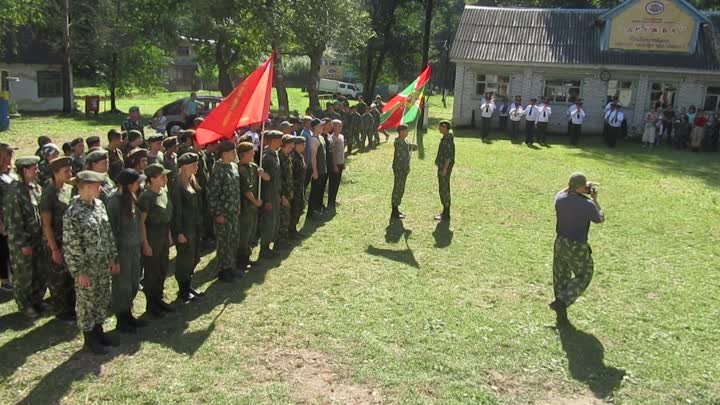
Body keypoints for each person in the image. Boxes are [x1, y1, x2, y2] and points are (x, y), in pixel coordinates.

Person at [63, 170, 120, 354]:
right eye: (96, 185)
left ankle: (99, 332)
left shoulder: (99, 205)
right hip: (87, 268)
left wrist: (112, 257)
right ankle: (90, 339)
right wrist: (79, 272)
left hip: (102, 264)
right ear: (84, 187)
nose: (100, 188)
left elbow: (107, 233)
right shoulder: (73, 213)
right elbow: (71, 246)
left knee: (102, 298)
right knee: (87, 303)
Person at [549, 172, 604, 324]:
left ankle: (561, 317)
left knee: (560, 277)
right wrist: (594, 199)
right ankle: (562, 301)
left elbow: (562, 191)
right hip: (577, 245)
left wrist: (576, 189)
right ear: (582, 187)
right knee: (584, 274)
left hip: (560, 242)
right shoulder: (587, 205)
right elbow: (600, 218)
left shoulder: (560, 199)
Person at [4, 156, 48, 318]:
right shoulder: (14, 191)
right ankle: (25, 304)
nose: (37, 171)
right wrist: (23, 244)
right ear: (24, 171)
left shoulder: (36, 188)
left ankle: (37, 300)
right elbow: (13, 221)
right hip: (23, 242)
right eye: (33, 169)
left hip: (38, 239)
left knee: (39, 271)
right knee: (24, 274)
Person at [107, 169, 147, 333]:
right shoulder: (114, 203)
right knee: (122, 286)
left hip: (133, 249)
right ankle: (121, 319)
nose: (140, 185)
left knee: (132, 283)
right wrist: (114, 259)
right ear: (129, 184)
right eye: (137, 182)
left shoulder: (131, 198)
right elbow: (111, 232)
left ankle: (128, 314)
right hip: (122, 251)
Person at [40, 156, 76, 322]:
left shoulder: (68, 188)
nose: (70, 173)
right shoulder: (49, 193)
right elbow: (46, 224)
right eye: (66, 171)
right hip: (56, 241)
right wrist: (54, 249)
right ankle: (62, 310)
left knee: (70, 276)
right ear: (55, 173)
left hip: (69, 240)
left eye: (70, 170)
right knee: (58, 278)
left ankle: (71, 307)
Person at [172, 153, 206, 302]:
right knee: (185, 259)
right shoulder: (178, 184)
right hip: (185, 228)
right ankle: (183, 290)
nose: (196, 167)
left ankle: (188, 286)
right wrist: (179, 231)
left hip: (195, 226)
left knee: (195, 257)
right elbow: (177, 210)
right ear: (184, 166)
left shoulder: (191, 181)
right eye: (193, 165)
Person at [207, 141, 242, 282]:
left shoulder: (233, 166)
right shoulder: (218, 169)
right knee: (224, 242)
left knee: (233, 240)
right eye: (233, 152)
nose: (235, 154)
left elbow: (236, 189)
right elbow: (212, 194)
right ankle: (223, 270)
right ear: (224, 154)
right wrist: (217, 213)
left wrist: (238, 206)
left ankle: (231, 267)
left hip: (233, 211)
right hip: (223, 213)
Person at [237, 142, 266, 272]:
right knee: (244, 234)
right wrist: (255, 202)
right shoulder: (240, 169)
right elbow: (246, 190)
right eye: (251, 152)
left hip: (253, 208)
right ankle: (241, 261)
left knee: (251, 233)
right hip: (245, 207)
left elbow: (266, 178)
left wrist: (262, 173)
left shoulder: (253, 166)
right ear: (243, 154)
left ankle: (247, 257)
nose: (254, 153)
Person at [259, 131, 283, 258]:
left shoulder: (275, 154)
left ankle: (268, 247)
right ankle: (264, 249)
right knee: (269, 222)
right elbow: (266, 179)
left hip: (275, 192)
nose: (281, 142)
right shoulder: (267, 157)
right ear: (273, 141)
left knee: (274, 221)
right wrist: (267, 200)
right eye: (279, 140)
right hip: (269, 195)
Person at [0, 143, 17, 292]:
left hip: (14, 217)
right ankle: (5, 279)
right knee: (4, 250)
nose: (11, 157)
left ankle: (15, 276)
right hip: (3, 219)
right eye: (8, 154)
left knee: (13, 249)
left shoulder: (11, 173)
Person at [276, 134, 295, 248]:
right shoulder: (280, 157)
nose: (293, 146)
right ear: (286, 144)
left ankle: (284, 239)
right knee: (282, 218)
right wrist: (283, 196)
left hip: (288, 192)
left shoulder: (287, 156)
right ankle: (280, 242)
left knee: (286, 217)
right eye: (291, 143)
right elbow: (280, 179)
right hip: (282, 194)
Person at [435, 120, 455, 221]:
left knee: (444, 189)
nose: (439, 129)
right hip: (443, 167)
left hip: (444, 168)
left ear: (444, 127)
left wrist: (444, 169)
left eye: (440, 127)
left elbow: (448, 157)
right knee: (443, 188)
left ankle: (446, 214)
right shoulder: (446, 138)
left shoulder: (447, 140)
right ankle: (445, 211)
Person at [391, 124, 413, 219]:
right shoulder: (399, 142)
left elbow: (408, 146)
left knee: (401, 189)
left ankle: (396, 208)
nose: (407, 132)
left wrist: (412, 146)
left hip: (404, 169)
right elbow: (403, 149)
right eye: (406, 131)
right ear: (401, 132)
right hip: (400, 169)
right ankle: (394, 210)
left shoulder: (404, 141)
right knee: (398, 189)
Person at [307, 119, 327, 217]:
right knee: (315, 191)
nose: (322, 127)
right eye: (320, 125)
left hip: (323, 169)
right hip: (318, 170)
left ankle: (318, 209)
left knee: (320, 191)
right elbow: (313, 157)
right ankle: (312, 212)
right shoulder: (313, 139)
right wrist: (315, 171)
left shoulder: (321, 138)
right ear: (314, 127)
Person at [289, 137, 307, 238]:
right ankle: (291, 231)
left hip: (300, 187)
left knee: (299, 208)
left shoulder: (300, 156)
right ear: (296, 145)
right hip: (294, 188)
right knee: (294, 209)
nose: (304, 146)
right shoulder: (293, 157)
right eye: (302, 144)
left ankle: (294, 229)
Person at [328, 119, 345, 208]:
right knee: (333, 183)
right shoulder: (332, 138)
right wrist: (334, 165)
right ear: (333, 127)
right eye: (338, 125)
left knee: (337, 182)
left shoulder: (341, 136)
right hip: (335, 163)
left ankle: (334, 199)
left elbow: (342, 151)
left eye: (341, 125)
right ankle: (330, 201)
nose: (340, 127)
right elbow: (333, 153)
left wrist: (343, 162)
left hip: (341, 162)